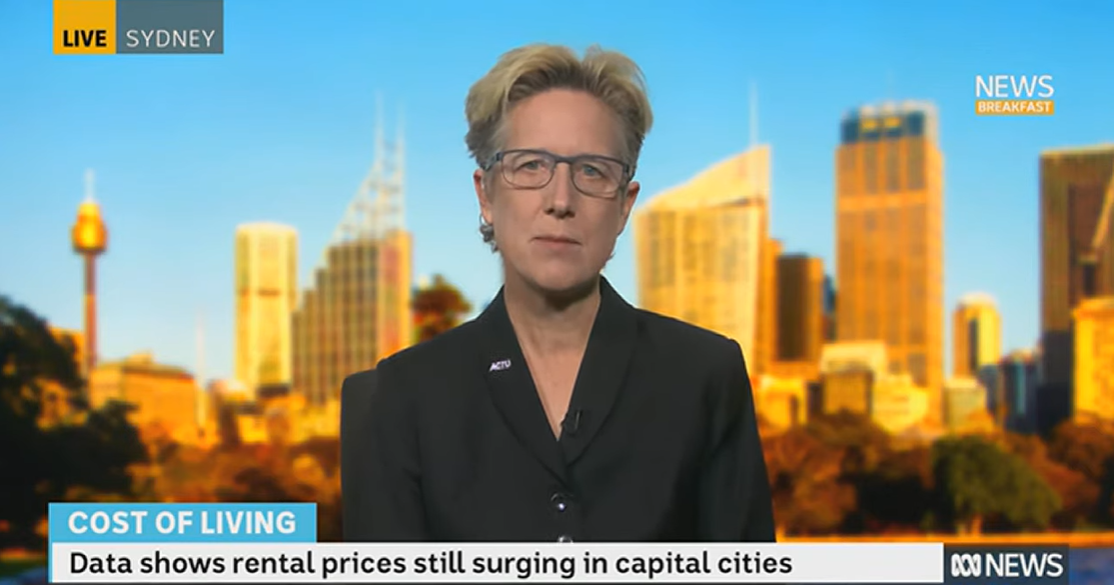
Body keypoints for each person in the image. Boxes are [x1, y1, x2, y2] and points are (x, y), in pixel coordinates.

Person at [341, 43, 775, 542]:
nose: (561, 200)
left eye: (592, 171)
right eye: (530, 166)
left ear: (624, 205)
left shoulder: (705, 375)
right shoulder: (402, 395)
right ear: (486, 194)